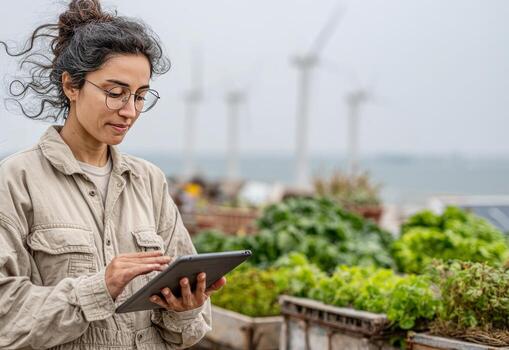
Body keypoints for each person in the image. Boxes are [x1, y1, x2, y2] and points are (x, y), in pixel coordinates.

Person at [0, 0, 226, 349]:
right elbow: (5, 316)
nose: (129, 111)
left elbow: (189, 330)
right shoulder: (16, 181)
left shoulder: (149, 181)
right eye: (115, 93)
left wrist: (185, 308)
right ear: (71, 86)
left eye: (140, 96)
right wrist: (99, 288)